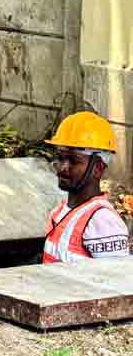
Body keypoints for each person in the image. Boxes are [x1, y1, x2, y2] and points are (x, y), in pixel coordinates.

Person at [44, 111, 129, 262]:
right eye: (61, 157)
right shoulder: (60, 211)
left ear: (98, 168)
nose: (63, 167)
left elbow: (116, 281)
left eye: (74, 161)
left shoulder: (102, 221)